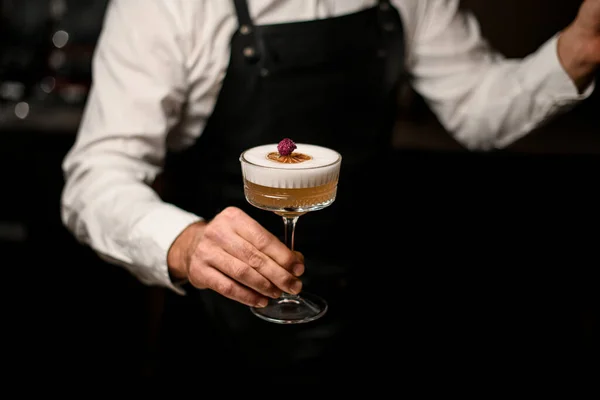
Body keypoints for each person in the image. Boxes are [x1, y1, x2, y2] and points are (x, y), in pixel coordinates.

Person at [61, 0, 598, 385]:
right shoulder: (163, 9)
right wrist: (184, 241)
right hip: (225, 333)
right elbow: (97, 173)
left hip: (378, 312)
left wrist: (578, 50)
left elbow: (478, 109)